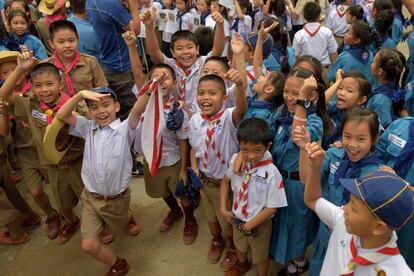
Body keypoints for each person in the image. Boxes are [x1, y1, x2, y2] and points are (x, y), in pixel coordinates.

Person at [56, 85, 143, 275]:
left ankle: (128, 217)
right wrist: (79, 95)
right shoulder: (88, 128)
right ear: (88, 111)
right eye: (94, 107)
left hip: (117, 199)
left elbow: (138, 109)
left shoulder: (124, 129)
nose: (101, 111)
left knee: (118, 221)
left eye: (106, 105)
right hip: (90, 197)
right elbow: (62, 114)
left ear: (117, 106)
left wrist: (151, 89)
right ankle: (118, 265)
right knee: (89, 245)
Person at [1, 51, 87, 244]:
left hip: (77, 162)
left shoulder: (73, 106)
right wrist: (21, 69)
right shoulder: (30, 105)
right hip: (52, 165)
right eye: (38, 85)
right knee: (62, 203)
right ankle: (71, 221)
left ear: (61, 84)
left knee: (89, 197)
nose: (44, 90)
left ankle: (99, 224)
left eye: (49, 84)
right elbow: (3, 95)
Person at [294, 107, 386, 276]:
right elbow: (306, 180)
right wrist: (303, 148)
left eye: (361, 139)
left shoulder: (377, 174)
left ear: (375, 139)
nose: (352, 144)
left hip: (353, 241)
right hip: (325, 232)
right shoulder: (334, 154)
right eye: (347, 136)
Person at [188, 35, 247, 269]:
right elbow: (196, 147)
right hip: (205, 181)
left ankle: (232, 245)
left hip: (228, 184)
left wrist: (240, 85)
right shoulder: (194, 121)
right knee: (211, 215)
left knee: (228, 218)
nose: (206, 98)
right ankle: (216, 240)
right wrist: (193, 169)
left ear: (224, 98)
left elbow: (241, 107)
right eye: (202, 93)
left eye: (212, 94)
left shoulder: (228, 117)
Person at [303, 154, 413, 275]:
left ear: (378, 227)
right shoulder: (343, 221)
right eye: (349, 202)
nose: (344, 208)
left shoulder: (398, 272)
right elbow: (312, 200)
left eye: (353, 208)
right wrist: (314, 168)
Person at [268, 73, 332, 275]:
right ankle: (284, 254)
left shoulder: (314, 121)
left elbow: (298, 137)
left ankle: (299, 261)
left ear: (310, 98)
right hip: (280, 179)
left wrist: (301, 103)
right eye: (286, 91)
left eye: (295, 93)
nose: (288, 97)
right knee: (282, 221)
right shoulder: (282, 113)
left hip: (296, 184)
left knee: (297, 226)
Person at [133, 63, 198, 244]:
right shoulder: (143, 105)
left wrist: (183, 169)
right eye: (156, 78)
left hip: (173, 161)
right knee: (162, 190)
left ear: (175, 83)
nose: (161, 81)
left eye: (166, 77)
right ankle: (174, 211)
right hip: (151, 159)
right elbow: (137, 72)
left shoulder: (176, 110)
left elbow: (184, 139)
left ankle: (190, 220)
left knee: (181, 192)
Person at [220, 118, 287, 276]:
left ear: (267, 146)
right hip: (237, 218)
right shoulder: (236, 161)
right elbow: (225, 182)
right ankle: (242, 264)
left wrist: (250, 225)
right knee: (240, 245)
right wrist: (223, 209)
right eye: (245, 150)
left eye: (257, 150)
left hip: (259, 223)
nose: (250, 156)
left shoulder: (271, 172)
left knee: (260, 255)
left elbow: (272, 207)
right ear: (240, 146)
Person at [142, 7, 225, 114]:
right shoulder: (170, 66)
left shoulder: (204, 64)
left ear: (197, 49)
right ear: (172, 53)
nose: (185, 52)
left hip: (200, 114)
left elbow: (217, 50)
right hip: (175, 115)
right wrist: (149, 27)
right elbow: (154, 52)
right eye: (179, 48)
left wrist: (220, 25)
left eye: (190, 47)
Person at [85, 0, 140, 120]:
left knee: (117, 110)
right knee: (132, 112)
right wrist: (134, 4)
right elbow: (135, 30)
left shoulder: (90, 2)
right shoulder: (109, 3)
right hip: (121, 68)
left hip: (108, 63)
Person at [376, 116, 414, 270]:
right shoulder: (400, 125)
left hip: (410, 221)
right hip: (380, 206)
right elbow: (375, 155)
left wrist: (401, 185)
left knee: (402, 262)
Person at [42, 20, 108, 95]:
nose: (67, 45)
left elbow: (102, 89)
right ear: (51, 44)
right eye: (61, 42)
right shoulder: (45, 66)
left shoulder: (90, 62)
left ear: (78, 40)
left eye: (71, 40)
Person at [323, 71, 371, 148]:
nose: (341, 93)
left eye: (349, 91)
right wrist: (338, 81)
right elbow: (318, 104)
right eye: (340, 88)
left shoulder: (363, 121)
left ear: (361, 100)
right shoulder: (334, 108)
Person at [367, 48, 408, 130]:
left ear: (380, 71)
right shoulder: (395, 87)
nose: (371, 63)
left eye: (374, 61)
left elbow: (380, 130)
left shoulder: (380, 101)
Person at [292, 2, 338, 67]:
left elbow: (296, 56)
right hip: (324, 69)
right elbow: (333, 54)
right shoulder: (327, 32)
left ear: (304, 16)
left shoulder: (298, 35)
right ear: (319, 16)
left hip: (305, 70)